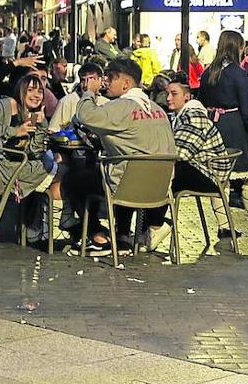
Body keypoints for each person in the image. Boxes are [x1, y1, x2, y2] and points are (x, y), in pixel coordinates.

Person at [66, 57, 176, 255]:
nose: (106, 81)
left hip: (127, 186)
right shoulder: (158, 109)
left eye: (110, 77)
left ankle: (97, 237)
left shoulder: (120, 106)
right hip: (159, 189)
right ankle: (122, 236)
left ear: (126, 83)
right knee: (124, 164)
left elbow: (86, 115)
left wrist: (89, 92)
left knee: (74, 180)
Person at [197, 29, 248, 241]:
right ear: (238, 47)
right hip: (235, 127)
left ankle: (224, 226)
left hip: (214, 127)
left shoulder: (208, 73)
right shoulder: (238, 73)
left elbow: (201, 101)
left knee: (221, 178)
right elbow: (247, 109)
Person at [0, 72, 59, 242]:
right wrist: (14, 131)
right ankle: (42, 229)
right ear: (21, 91)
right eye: (31, 90)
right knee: (57, 170)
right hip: (0, 169)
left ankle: (33, 228)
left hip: (15, 165)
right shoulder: (6, 105)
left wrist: (41, 124)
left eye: (40, 91)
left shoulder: (30, 114)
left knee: (50, 163)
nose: (36, 95)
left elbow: (35, 151)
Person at [164, 73, 228, 200]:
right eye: (167, 94)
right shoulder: (181, 116)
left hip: (210, 176)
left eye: (174, 94)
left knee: (159, 176)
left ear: (187, 96)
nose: (168, 98)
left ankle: (150, 211)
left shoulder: (193, 116)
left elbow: (180, 154)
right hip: (199, 167)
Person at [49, 61, 105, 134]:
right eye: (83, 80)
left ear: (100, 80)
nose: (86, 85)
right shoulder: (66, 102)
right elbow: (53, 131)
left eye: (91, 80)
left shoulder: (106, 104)